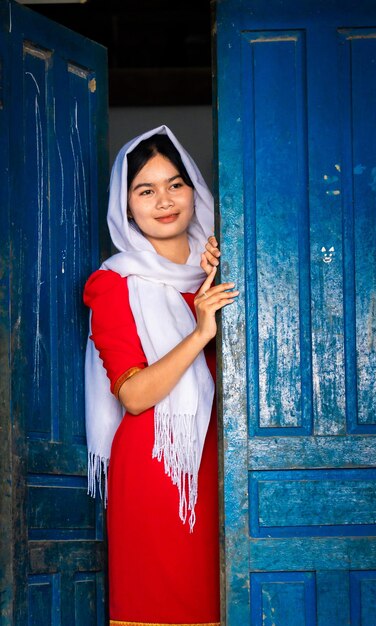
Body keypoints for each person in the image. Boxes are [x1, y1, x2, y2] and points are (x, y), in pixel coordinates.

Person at [83, 126, 238, 625]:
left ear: (195, 188)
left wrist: (213, 285)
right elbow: (133, 395)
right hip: (157, 467)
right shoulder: (112, 284)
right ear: (126, 205)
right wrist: (198, 332)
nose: (164, 201)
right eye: (145, 190)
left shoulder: (223, 269)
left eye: (176, 184)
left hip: (227, 461)